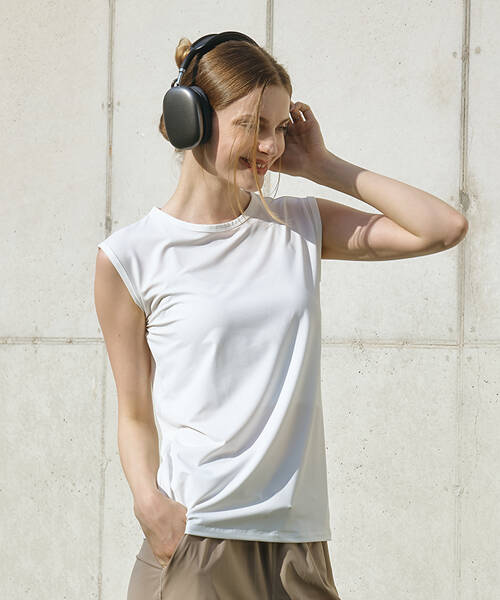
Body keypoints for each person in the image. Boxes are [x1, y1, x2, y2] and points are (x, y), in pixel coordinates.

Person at [94, 31, 468, 600]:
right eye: (252, 126)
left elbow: (442, 228)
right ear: (193, 120)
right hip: (198, 539)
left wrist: (323, 165)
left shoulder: (299, 224)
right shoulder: (131, 256)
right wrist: (151, 506)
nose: (269, 146)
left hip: (298, 544)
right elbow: (135, 412)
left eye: (279, 127)